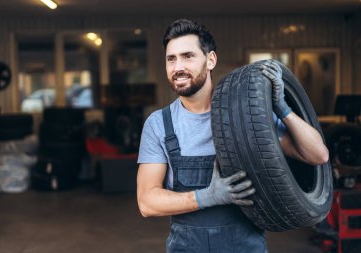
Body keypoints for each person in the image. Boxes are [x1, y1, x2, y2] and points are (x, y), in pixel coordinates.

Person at [136, 19, 329, 253]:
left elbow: (317, 155)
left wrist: (282, 108)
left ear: (210, 60)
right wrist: (207, 197)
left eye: (188, 56)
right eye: (171, 59)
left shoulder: (245, 114)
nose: (178, 67)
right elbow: (147, 202)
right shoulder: (159, 124)